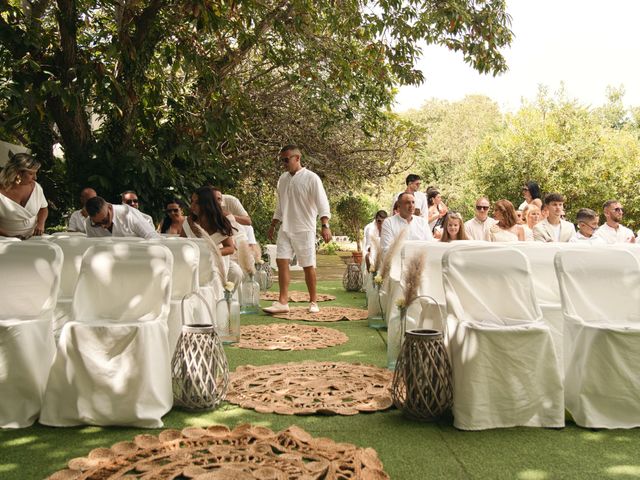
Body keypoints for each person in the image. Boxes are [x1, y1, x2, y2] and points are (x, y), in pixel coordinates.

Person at [264, 145, 332, 314]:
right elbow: (280, 205)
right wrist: (273, 224)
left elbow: (322, 203)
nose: (284, 163)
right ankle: (283, 302)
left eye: (286, 159)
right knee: (281, 262)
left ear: (297, 158)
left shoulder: (312, 178)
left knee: (308, 265)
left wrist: (325, 226)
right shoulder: (283, 179)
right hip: (285, 228)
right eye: (282, 160)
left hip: (305, 229)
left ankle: (313, 302)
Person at [182, 186, 242, 286]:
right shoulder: (188, 222)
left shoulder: (220, 222)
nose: (191, 206)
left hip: (215, 265)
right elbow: (181, 243)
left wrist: (210, 253)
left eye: (196, 203)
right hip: (192, 265)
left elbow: (230, 248)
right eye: (191, 201)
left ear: (207, 203)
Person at [0, 153, 48, 239]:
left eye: (35, 173)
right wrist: (10, 237)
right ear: (18, 172)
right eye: (31, 174)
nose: (35, 178)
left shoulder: (36, 187)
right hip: (5, 240)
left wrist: (41, 224)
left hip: (34, 237)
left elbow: (43, 209)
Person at [85, 196, 160, 239]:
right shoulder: (89, 223)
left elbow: (152, 237)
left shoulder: (129, 214)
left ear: (110, 207)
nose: (102, 226)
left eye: (105, 220)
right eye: (97, 224)